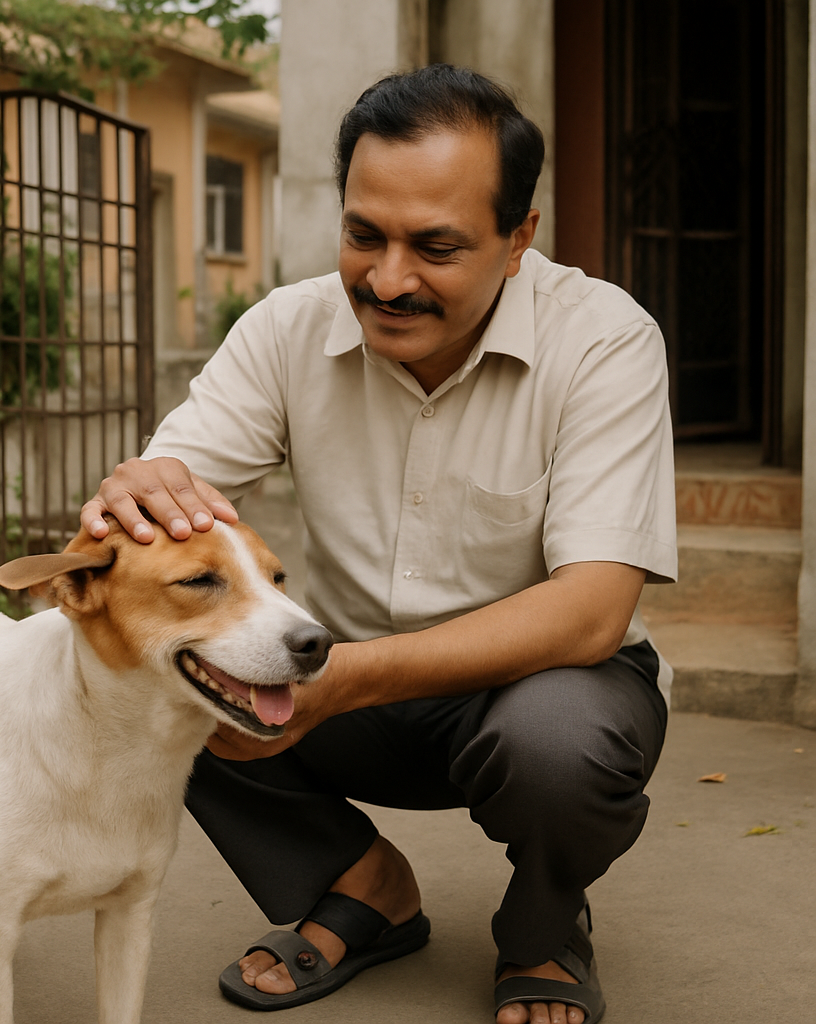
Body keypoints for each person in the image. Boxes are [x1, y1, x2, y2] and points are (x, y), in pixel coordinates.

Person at [81, 64, 675, 1024]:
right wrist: (132, 498)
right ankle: (361, 888)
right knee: (158, 667)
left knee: (559, 746)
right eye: (365, 235)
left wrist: (344, 678)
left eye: (436, 247)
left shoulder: (604, 341)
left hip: (537, 690)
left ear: (520, 237)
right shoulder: (286, 328)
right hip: (339, 685)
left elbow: (593, 610)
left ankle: (545, 925)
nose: (387, 280)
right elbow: (161, 511)